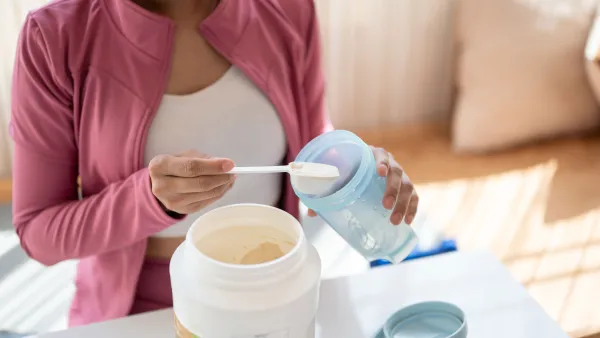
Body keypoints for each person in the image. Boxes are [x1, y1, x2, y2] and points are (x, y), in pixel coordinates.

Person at [10, 0, 419, 328]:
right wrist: (150, 199)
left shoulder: (288, 10)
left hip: (279, 288)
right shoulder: (55, 38)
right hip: (138, 309)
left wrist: (359, 171)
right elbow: (39, 232)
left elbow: (312, 151)